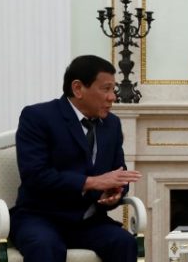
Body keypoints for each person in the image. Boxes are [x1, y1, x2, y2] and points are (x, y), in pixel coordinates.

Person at [9, 55, 142, 262]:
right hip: (39, 218)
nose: (112, 97)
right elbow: (35, 175)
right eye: (105, 89)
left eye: (113, 90)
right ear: (78, 88)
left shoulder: (112, 125)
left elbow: (118, 172)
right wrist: (93, 182)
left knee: (124, 242)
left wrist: (114, 192)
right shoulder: (38, 117)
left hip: (88, 221)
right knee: (45, 246)